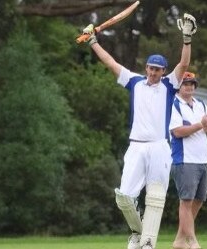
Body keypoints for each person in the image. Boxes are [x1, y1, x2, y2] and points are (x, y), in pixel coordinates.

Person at [81, 12, 197, 249]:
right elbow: (111, 63)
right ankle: (137, 232)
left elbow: (183, 64)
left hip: (158, 147)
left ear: (163, 72)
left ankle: (147, 243)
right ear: (146, 68)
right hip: (136, 146)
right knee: (124, 197)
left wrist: (186, 39)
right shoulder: (134, 81)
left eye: (158, 70)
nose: (153, 73)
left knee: (155, 197)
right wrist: (93, 42)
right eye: (151, 68)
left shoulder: (168, 86)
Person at [169, 72, 207, 249]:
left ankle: (180, 240)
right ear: (179, 86)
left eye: (191, 84)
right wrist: (201, 125)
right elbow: (178, 131)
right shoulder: (174, 105)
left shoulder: (201, 104)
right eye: (185, 84)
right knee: (186, 201)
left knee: (199, 200)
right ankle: (192, 241)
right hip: (184, 160)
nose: (189, 87)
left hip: (202, 161)